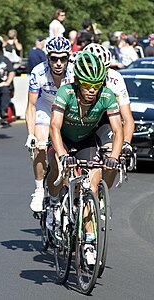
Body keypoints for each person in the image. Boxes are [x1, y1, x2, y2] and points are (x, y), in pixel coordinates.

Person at [47, 51, 123, 260]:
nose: (92, 90)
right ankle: (54, 204)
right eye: (88, 85)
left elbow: (118, 130)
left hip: (85, 140)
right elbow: (54, 126)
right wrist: (62, 155)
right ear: (78, 82)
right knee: (56, 168)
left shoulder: (107, 96)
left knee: (91, 185)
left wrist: (113, 158)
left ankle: (89, 239)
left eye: (96, 85)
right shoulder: (65, 92)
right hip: (62, 138)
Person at [25, 36, 74, 212]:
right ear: (48, 58)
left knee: (67, 156)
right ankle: (38, 190)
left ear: (69, 58)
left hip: (67, 110)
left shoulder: (75, 72)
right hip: (46, 108)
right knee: (40, 147)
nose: (58, 63)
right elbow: (31, 106)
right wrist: (31, 134)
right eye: (54, 58)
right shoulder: (38, 72)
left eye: (63, 58)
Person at [83, 43, 135, 187]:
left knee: (112, 156)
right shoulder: (74, 75)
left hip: (105, 121)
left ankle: (102, 195)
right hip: (81, 121)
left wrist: (126, 143)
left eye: (106, 68)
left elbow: (127, 118)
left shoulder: (115, 79)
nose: (102, 72)